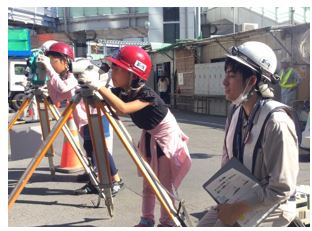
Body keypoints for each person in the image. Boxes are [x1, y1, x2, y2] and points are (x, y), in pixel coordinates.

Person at [78, 45, 192, 227]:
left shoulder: (148, 95)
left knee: (162, 183)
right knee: (148, 183)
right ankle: (146, 219)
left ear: (133, 74)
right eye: (112, 67)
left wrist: (99, 86)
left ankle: (168, 221)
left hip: (165, 141)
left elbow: (122, 108)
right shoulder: (124, 92)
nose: (112, 72)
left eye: (116, 68)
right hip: (149, 136)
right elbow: (109, 100)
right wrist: (92, 87)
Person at [197, 41, 299, 227]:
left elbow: (281, 189)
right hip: (241, 197)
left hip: (273, 204)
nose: (224, 82)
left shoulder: (276, 122)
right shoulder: (235, 112)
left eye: (232, 75)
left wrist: (236, 210)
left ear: (252, 81)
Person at [39, 41, 124, 196]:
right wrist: (47, 75)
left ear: (65, 61)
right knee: (90, 151)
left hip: (97, 116)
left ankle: (117, 180)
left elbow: (64, 88)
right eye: (50, 61)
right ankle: (94, 181)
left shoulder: (74, 74)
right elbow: (57, 96)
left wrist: (50, 71)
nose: (51, 64)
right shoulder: (61, 77)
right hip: (84, 121)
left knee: (101, 150)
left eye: (54, 61)